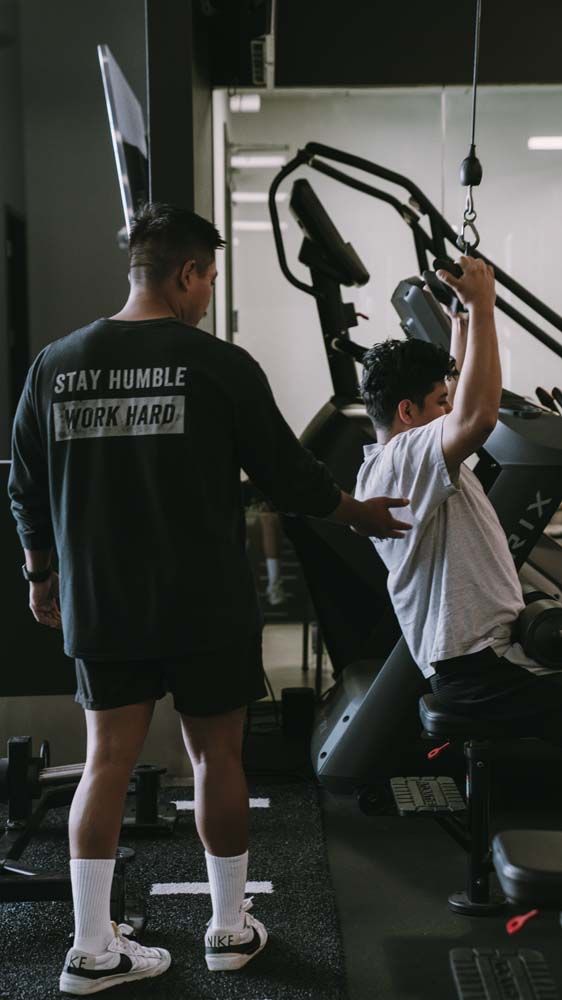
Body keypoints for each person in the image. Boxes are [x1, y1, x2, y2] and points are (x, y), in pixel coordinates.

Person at [8, 202, 412, 995]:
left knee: (106, 765)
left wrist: (40, 574)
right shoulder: (219, 365)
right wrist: (360, 512)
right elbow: (289, 479)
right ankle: (230, 932)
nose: (207, 296)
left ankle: (92, 949)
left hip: (105, 601)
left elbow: (26, 485)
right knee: (216, 758)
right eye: (209, 280)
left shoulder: (56, 364)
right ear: (187, 274)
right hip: (204, 605)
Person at [355, 255, 562, 740]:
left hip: (483, 660)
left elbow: (462, 397)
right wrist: (484, 307)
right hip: (481, 671)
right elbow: (476, 418)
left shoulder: (411, 461)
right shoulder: (399, 462)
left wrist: (462, 322)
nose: (450, 409)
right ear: (407, 412)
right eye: (439, 404)